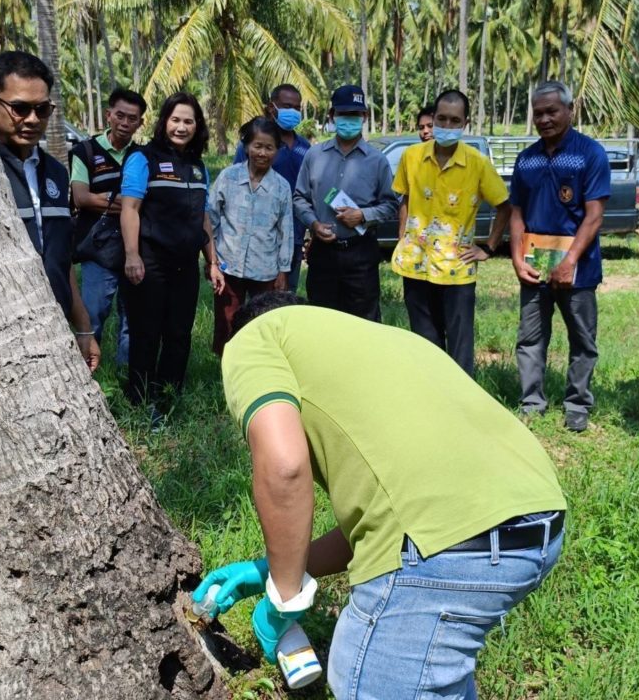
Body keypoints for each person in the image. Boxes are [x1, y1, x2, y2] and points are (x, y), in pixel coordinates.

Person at [194, 291, 566, 699]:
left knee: (361, 677)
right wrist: (269, 568)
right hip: (539, 523)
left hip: (449, 549)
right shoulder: (387, 339)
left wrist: (284, 598)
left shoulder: (253, 339)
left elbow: (283, 467)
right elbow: (385, 520)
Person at [0, 51, 100, 371]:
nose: (33, 119)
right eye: (20, 108)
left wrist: (84, 326)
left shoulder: (57, 174)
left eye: (42, 109)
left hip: (53, 327)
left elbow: (61, 260)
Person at [508, 80, 610, 432]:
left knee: (582, 338)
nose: (545, 119)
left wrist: (569, 262)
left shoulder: (589, 154)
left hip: (577, 269)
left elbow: (594, 215)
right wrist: (517, 258)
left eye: (552, 111)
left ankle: (577, 404)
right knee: (531, 337)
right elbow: (516, 213)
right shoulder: (527, 159)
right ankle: (531, 402)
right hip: (534, 265)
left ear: (570, 110)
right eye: (538, 113)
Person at [391, 90, 509, 375]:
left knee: (459, 343)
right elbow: (404, 200)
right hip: (416, 266)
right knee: (424, 340)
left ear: (464, 124)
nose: (447, 125)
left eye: (454, 120)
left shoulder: (477, 163)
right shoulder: (412, 157)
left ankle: (461, 403)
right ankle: (431, 396)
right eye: (441, 118)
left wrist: (489, 247)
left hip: (457, 269)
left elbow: (505, 207)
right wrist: (402, 240)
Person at [119, 92, 224, 412]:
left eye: (188, 121)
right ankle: (138, 401)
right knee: (146, 333)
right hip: (150, 263)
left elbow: (202, 216)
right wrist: (132, 255)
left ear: (197, 126)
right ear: (164, 122)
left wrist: (213, 261)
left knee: (179, 334)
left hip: (185, 266)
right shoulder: (143, 159)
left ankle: (167, 398)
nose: (181, 127)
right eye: (175, 119)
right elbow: (130, 210)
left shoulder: (197, 167)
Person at [293, 85, 397, 322]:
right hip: (323, 252)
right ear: (332, 116)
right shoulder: (314, 155)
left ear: (364, 117)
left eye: (355, 115)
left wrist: (362, 215)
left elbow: (390, 205)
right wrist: (314, 224)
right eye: (343, 114)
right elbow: (299, 198)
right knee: (322, 318)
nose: (348, 120)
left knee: (364, 321)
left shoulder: (377, 160)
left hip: (360, 251)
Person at [69, 87, 147, 367]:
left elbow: (142, 203)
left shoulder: (143, 155)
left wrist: (103, 200)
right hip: (98, 249)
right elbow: (81, 197)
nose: (125, 123)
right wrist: (131, 204)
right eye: (120, 116)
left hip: (136, 247)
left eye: (132, 118)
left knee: (132, 317)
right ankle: (86, 370)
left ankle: (126, 374)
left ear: (140, 123)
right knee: (93, 314)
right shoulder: (85, 151)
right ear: (108, 115)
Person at [208, 117, 293, 354]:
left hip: (265, 268)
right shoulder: (228, 177)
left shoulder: (281, 187)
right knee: (226, 321)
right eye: (257, 146)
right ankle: (225, 366)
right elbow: (211, 219)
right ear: (246, 146)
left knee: (262, 321)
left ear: (277, 150)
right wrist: (212, 261)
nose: (262, 153)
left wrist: (283, 270)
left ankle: (257, 363)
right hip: (229, 266)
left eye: (269, 147)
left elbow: (286, 231)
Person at [234, 85, 311, 292]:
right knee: (254, 304)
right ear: (271, 108)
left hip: (292, 236)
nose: (293, 112)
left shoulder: (305, 148)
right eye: (287, 106)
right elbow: (237, 189)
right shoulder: (250, 147)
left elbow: (311, 192)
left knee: (284, 296)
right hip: (256, 237)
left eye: (296, 108)